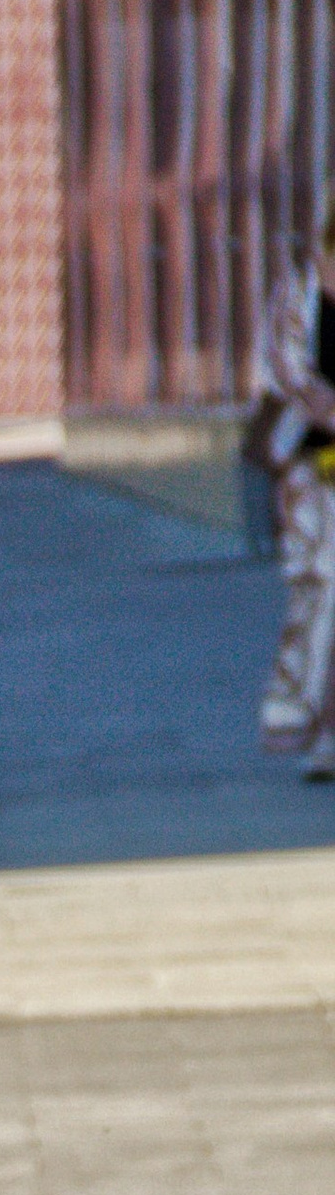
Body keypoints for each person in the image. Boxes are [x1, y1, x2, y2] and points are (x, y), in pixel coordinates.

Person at [256, 205, 335, 779]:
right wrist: (323, 403)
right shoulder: (303, 284)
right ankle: (320, 729)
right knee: (322, 592)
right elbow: (279, 360)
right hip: (315, 465)